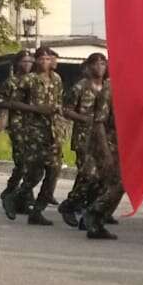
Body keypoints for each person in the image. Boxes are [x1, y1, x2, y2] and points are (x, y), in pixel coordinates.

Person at [3, 46, 64, 225]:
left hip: (54, 131)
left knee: (54, 171)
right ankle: (14, 197)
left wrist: (58, 113)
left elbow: (59, 100)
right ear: (37, 61)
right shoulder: (28, 80)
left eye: (48, 58)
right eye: (42, 59)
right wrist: (35, 109)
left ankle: (38, 210)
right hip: (34, 130)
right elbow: (12, 102)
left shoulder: (57, 79)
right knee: (35, 173)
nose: (46, 62)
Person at [58, 53, 109, 227]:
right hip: (84, 138)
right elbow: (66, 110)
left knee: (102, 177)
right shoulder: (81, 87)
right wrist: (84, 118)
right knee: (87, 175)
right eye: (97, 63)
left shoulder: (108, 87)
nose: (100, 67)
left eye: (103, 63)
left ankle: (89, 209)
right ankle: (71, 205)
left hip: (103, 138)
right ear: (89, 66)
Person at [80, 79, 125, 240]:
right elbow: (99, 122)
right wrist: (105, 152)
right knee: (115, 183)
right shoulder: (110, 88)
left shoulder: (133, 89)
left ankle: (94, 219)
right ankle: (93, 215)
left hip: (122, 145)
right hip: (105, 144)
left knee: (110, 184)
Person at [0, 50, 34, 207]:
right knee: (22, 162)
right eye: (24, 61)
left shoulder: (35, 80)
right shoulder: (11, 82)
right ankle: (19, 193)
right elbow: (0, 101)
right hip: (17, 124)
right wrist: (15, 105)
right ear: (17, 63)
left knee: (30, 162)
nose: (28, 64)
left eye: (30, 61)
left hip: (34, 126)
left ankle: (14, 191)